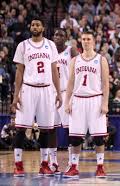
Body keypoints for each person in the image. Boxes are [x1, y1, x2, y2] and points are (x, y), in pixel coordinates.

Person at [11, 17, 62, 177]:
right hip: (28, 89)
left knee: (46, 130)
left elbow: (55, 71)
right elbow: (19, 72)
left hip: (47, 90)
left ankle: (44, 164)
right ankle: (18, 164)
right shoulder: (23, 45)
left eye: (37, 24)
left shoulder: (50, 45)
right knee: (21, 128)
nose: (34, 27)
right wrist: (15, 95)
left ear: (43, 27)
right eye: (32, 24)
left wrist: (59, 92)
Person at [64, 31, 109, 178]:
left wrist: (105, 103)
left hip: (95, 99)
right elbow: (70, 83)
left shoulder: (101, 59)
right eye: (83, 39)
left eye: (89, 39)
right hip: (78, 100)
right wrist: (67, 102)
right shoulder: (74, 61)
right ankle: (74, 166)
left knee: (98, 137)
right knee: (75, 137)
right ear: (80, 41)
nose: (86, 41)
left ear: (94, 41)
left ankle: (100, 166)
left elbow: (106, 83)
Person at [47, 28, 78, 174]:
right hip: (51, 94)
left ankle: (72, 163)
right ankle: (53, 162)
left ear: (66, 38)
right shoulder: (48, 51)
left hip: (66, 93)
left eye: (61, 35)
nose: (57, 37)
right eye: (55, 35)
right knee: (50, 128)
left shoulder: (71, 51)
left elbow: (79, 71)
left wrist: (73, 96)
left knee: (70, 129)